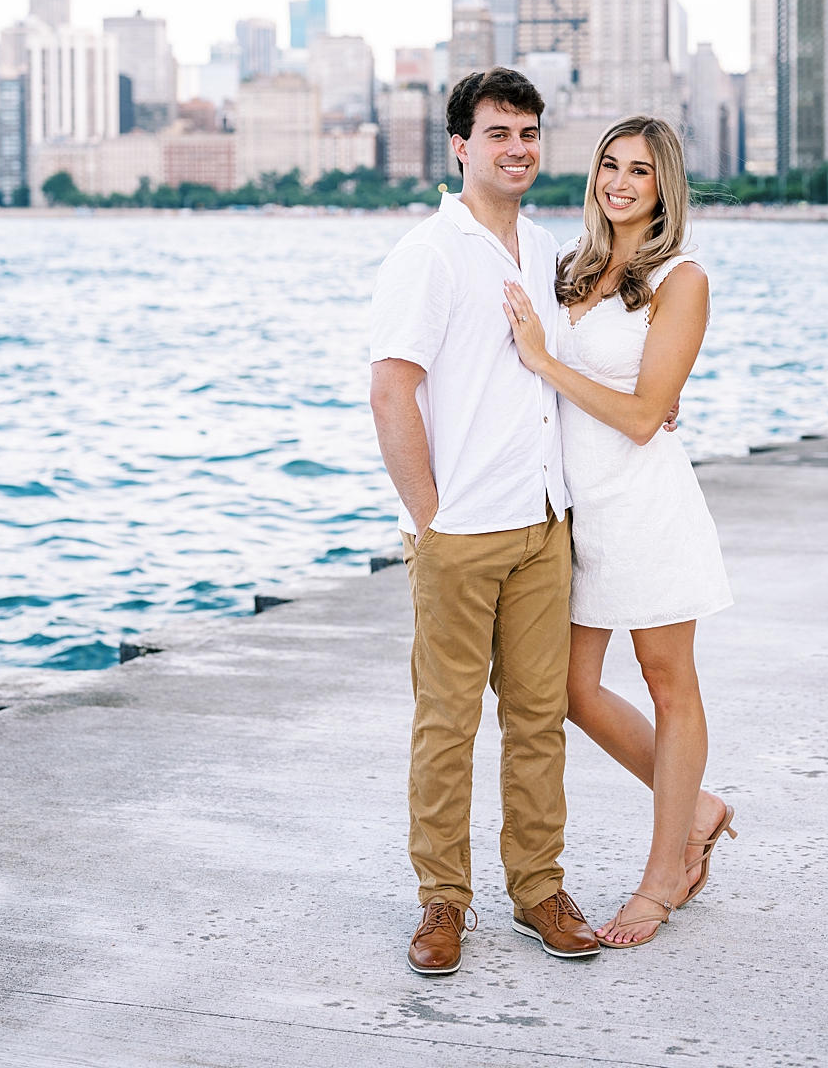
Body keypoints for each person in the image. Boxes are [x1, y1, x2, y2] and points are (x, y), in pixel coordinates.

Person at [368, 66, 601, 974]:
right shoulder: (429, 255)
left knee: (539, 718)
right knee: (447, 723)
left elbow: (564, 369)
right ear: (461, 146)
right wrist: (431, 520)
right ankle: (441, 901)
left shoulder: (544, 250)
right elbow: (392, 388)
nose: (518, 149)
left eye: (530, 133)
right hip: (462, 530)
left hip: (546, 523)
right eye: (499, 133)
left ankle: (537, 887)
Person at [499, 114, 736, 950]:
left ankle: (662, 876)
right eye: (609, 165)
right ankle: (698, 811)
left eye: (639, 170)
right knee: (565, 687)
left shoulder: (682, 277)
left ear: (664, 184)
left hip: (645, 507)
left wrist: (545, 361)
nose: (620, 182)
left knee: (671, 685)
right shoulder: (573, 269)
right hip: (575, 513)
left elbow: (642, 417)